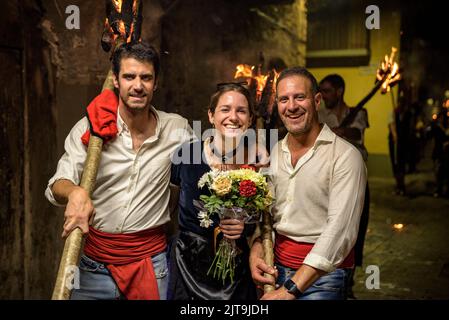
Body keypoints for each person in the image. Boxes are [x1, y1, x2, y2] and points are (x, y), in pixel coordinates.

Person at [45, 42, 193, 300]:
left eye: (146, 77)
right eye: (129, 76)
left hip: (152, 264)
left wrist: (246, 145)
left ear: (156, 82)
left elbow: (205, 172)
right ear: (116, 80)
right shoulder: (92, 129)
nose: (138, 85)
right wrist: (75, 192)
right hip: (92, 266)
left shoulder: (177, 130)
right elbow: (56, 184)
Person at [249, 67, 366, 300]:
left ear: (317, 100)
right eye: (283, 99)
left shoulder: (345, 156)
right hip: (277, 268)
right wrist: (256, 250)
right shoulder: (274, 153)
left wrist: (290, 289)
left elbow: (339, 233)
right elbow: (267, 215)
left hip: (324, 278)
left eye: (299, 97)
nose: (291, 106)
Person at [168, 83, 267, 300]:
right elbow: (170, 207)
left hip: (235, 270)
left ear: (250, 119)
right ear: (211, 115)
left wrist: (246, 228)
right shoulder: (186, 154)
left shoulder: (257, 163)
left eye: (241, 111)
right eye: (225, 109)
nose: (233, 117)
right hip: (187, 265)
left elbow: (264, 223)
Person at [318, 74, 370, 298]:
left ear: (339, 91)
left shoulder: (358, 113)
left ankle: (348, 282)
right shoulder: (320, 113)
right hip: (326, 181)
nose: (323, 95)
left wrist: (338, 132)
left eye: (328, 90)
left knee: (354, 231)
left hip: (355, 181)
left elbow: (356, 132)